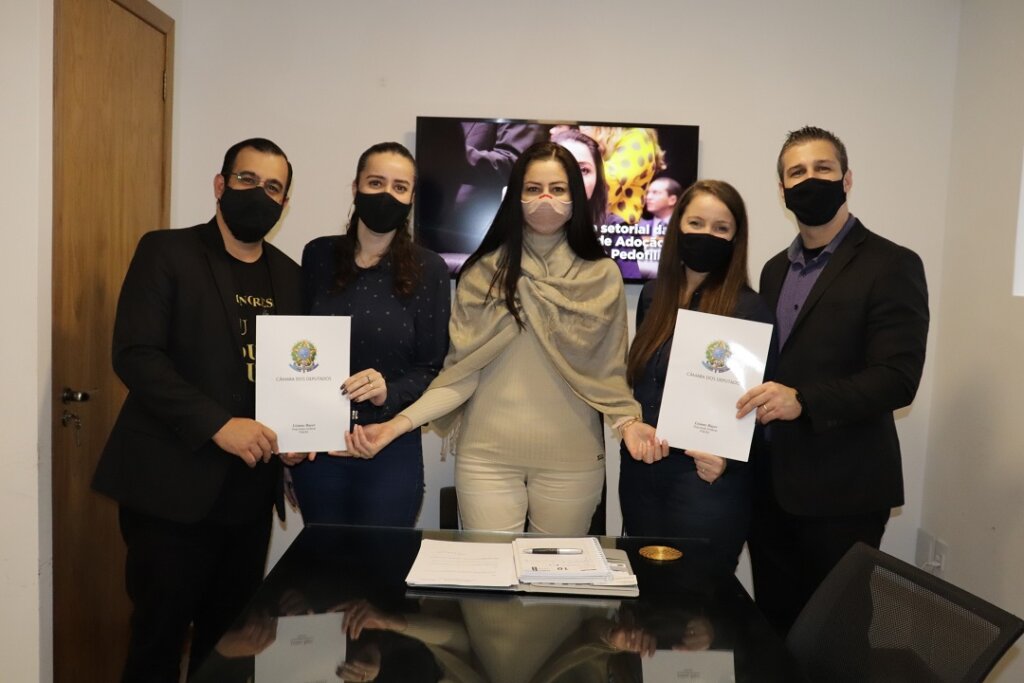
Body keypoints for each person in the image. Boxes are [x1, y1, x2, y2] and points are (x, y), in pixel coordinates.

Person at [345, 141, 663, 535]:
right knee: (487, 575)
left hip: (573, 463)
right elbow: (460, 375)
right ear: (516, 196)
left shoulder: (602, 277)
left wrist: (630, 424)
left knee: (555, 576)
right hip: (486, 462)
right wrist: (393, 426)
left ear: (576, 198)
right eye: (533, 189)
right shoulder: (483, 272)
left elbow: (608, 375)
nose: (545, 199)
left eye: (558, 189)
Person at [92, 138, 306, 681]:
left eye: (273, 188)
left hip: (248, 497)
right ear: (220, 184)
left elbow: (291, 376)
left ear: (284, 204)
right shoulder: (167, 251)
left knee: (231, 647)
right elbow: (136, 355)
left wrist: (296, 434)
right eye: (247, 180)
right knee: (158, 642)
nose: (259, 194)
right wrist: (219, 425)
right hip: (170, 491)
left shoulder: (290, 276)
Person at [736, 126, 929, 635]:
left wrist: (804, 400)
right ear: (782, 190)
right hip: (772, 489)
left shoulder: (892, 264)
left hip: (845, 492)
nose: (809, 180)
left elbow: (897, 379)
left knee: (836, 638)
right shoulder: (774, 270)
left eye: (822, 168)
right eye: (796, 172)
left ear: (847, 179)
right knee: (775, 629)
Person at [289, 142, 450, 526]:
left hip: (389, 444)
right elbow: (295, 350)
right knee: (322, 558)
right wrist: (290, 435)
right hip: (318, 450)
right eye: (376, 183)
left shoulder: (430, 269)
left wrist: (387, 392)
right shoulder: (318, 255)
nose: (386, 195)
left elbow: (432, 367)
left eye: (399, 187)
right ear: (355, 187)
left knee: (382, 560)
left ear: (411, 198)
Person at [619, 180, 773, 571]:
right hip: (642, 476)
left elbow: (760, 411)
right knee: (643, 592)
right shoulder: (653, 296)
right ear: (678, 228)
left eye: (721, 228)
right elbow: (643, 383)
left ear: (736, 239)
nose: (707, 235)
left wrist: (728, 462)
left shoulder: (749, 309)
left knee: (699, 598)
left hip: (705, 483)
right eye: (696, 223)